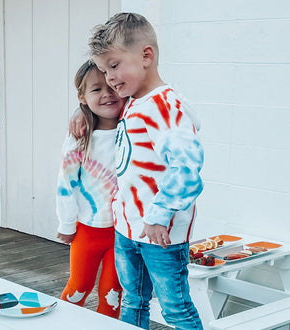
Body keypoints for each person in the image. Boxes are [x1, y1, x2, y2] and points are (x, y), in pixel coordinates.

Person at [69, 12, 205, 329]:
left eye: (114, 66)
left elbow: (187, 167)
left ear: (146, 55)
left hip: (161, 234)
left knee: (175, 309)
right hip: (128, 230)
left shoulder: (165, 105)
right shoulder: (132, 100)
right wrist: (80, 108)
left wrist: (159, 214)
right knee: (133, 302)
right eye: (104, 70)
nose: (110, 78)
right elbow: (103, 107)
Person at [56, 60, 124, 319]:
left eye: (111, 87)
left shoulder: (133, 125)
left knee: (112, 294)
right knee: (78, 289)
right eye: (97, 89)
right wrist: (66, 223)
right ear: (82, 98)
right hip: (87, 230)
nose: (107, 94)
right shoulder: (80, 136)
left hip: (123, 233)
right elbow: (66, 182)